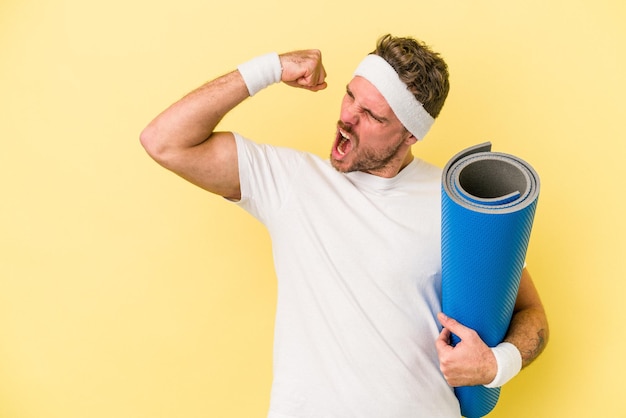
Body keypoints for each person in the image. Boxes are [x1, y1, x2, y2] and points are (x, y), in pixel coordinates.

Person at [140, 34, 549, 418]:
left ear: (410, 134)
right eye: (350, 95)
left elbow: (532, 314)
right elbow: (164, 141)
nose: (348, 117)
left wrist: (495, 364)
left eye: (371, 114)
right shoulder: (291, 182)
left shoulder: (453, 204)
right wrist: (271, 67)